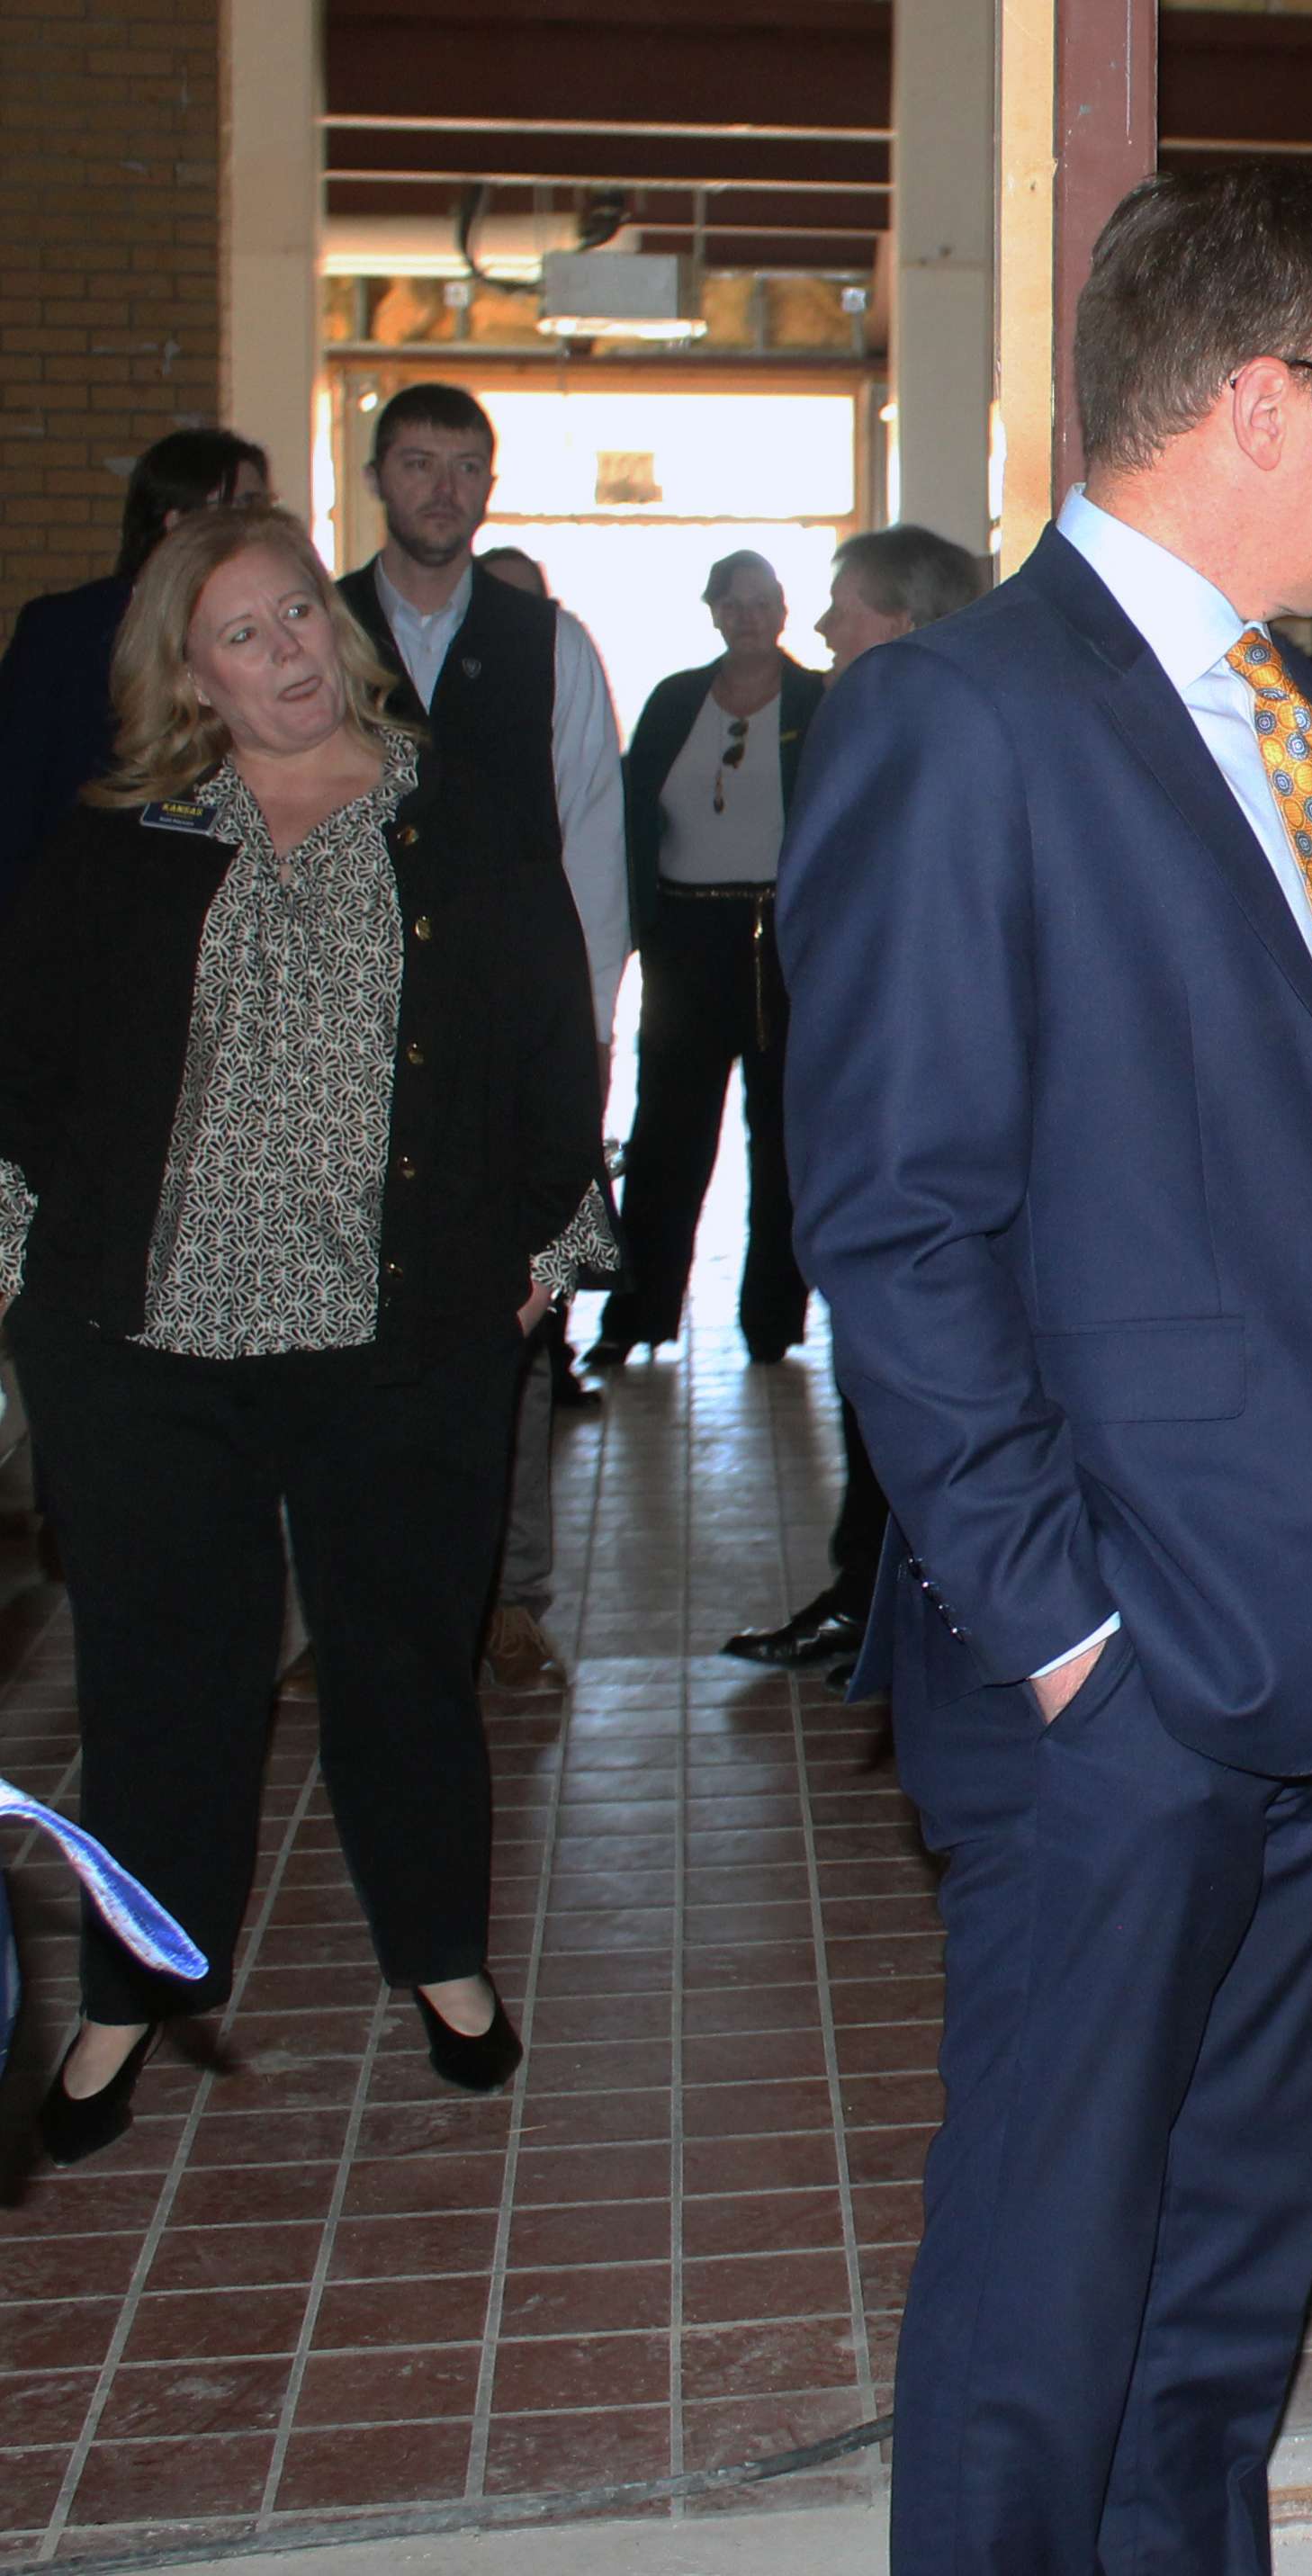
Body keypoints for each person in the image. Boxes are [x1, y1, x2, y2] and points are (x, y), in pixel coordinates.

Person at [777, 165, 1312, 2576]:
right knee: (1049, 2277)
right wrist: (1055, 1622)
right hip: (1126, 1661)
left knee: (1235, 2247)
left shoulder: (1287, 703)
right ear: (1269, 395)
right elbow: (900, 1220)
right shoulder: (961, 720)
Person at [0, 507, 612, 2163]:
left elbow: (555, 1038)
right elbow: (24, 1074)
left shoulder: (459, 817)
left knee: (401, 1664)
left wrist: (551, 1239)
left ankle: (443, 1961)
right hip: (141, 1348)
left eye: (293, 618)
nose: (282, 654)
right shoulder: (120, 836)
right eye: (240, 636)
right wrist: (14, 1283)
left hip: (394, 1336)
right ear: (187, 677)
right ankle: (133, 1987)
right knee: (157, 1684)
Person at [335, 383, 628, 1693]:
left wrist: (592, 1031)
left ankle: (510, 1592)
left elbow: (591, 849)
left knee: (512, 1316)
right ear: (376, 474)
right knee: (331, 1317)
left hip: (505, 1039)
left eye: (466, 467)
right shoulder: (318, 632)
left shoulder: (550, 643)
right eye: (418, 464)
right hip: (339, 1032)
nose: (443, 490)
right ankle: (333, 1603)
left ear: (490, 484)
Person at [728, 525, 987, 1682]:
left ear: (911, 618)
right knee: (871, 1369)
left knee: (904, 1369)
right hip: (861, 1094)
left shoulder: (925, 727)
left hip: (914, 1116)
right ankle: (870, 1592)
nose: (824, 627)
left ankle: (897, 1611)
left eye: (848, 605)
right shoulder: (886, 716)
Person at [590, 552, 823, 1372]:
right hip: (685, 942)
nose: (748, 614)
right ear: (713, 612)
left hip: (782, 944)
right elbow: (626, 812)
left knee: (784, 1142)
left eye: (762, 601)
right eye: (734, 601)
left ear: (785, 610)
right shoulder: (675, 700)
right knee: (666, 1138)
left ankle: (772, 1323)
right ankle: (638, 1313)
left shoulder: (817, 700)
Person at [0, 428, 271, 909]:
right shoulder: (65, 629)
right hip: (80, 900)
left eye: (260, 507)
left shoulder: (268, 631)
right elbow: (17, 792)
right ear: (177, 521)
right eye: (240, 506)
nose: (257, 526)